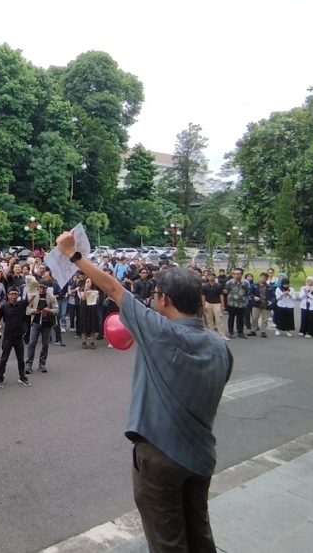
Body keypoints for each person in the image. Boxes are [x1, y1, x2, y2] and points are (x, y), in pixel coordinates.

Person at [57, 231, 232, 553]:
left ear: (164, 299)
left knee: (167, 542)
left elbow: (113, 287)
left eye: (154, 294)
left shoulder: (159, 331)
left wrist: (73, 255)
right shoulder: (221, 347)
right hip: (202, 454)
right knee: (199, 534)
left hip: (160, 456)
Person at [0, 287, 31, 388]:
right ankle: (0, 378)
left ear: (18, 295)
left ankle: (22, 378)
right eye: (11, 294)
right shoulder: (4, 306)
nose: (13, 296)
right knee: (4, 359)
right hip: (8, 337)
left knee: (21, 359)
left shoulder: (22, 304)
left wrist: (31, 284)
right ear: (8, 295)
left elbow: (32, 297)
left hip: (19, 337)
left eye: (15, 294)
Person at [25, 285, 58, 373]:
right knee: (32, 343)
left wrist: (49, 310)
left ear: (47, 289)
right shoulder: (34, 296)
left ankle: (42, 364)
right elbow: (27, 307)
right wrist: (32, 311)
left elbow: (57, 310)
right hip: (35, 323)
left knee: (45, 345)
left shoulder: (51, 297)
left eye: (44, 288)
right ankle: (28, 365)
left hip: (47, 324)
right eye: (40, 288)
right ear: (38, 288)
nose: (42, 290)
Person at [222, 268, 247, 339]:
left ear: (241, 274)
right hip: (232, 303)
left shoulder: (245, 282)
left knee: (241, 319)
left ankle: (240, 332)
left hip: (242, 304)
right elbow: (227, 291)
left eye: (238, 274)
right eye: (234, 274)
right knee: (231, 318)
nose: (236, 275)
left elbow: (247, 291)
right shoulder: (229, 282)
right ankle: (231, 332)